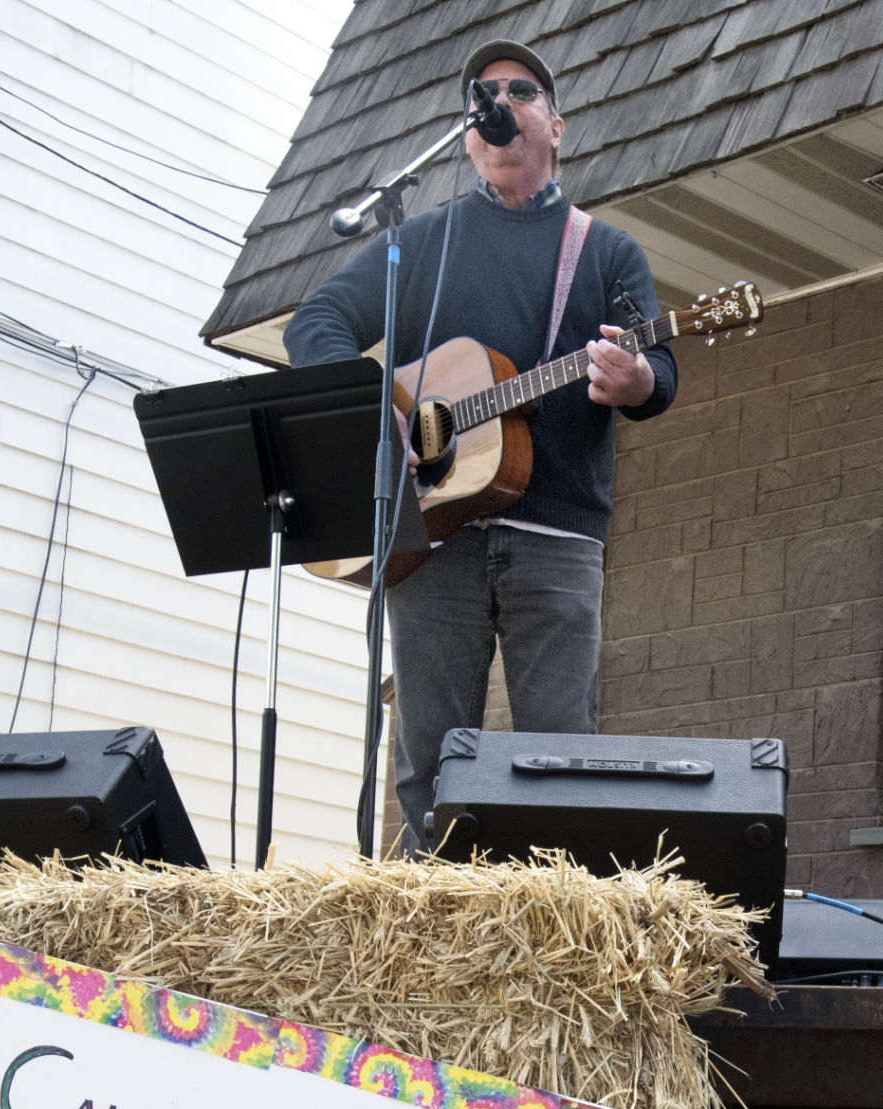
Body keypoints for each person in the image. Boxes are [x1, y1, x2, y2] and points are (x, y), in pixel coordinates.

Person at [284, 38, 678, 851]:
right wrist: (378, 409)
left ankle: (558, 933)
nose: (500, 101)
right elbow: (313, 324)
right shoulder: (420, 240)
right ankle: (431, 926)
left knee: (560, 756)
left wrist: (635, 381)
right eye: (484, 94)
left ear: (555, 125)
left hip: (558, 534)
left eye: (521, 91)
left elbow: (658, 369)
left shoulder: (603, 252)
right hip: (433, 535)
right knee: (427, 758)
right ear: (470, 133)